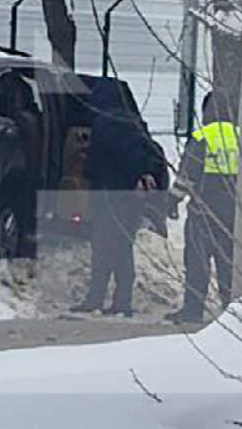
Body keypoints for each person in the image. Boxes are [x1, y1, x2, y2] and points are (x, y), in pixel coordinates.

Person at [72, 80, 168, 318]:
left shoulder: (104, 124)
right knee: (123, 247)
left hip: (108, 196)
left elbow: (95, 165)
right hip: (131, 199)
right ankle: (122, 300)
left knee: (103, 249)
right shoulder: (136, 124)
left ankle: (96, 298)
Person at [167, 89, 239, 324]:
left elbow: (188, 175)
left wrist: (173, 200)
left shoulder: (202, 137)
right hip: (233, 214)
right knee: (227, 263)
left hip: (203, 210)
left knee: (197, 262)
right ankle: (231, 312)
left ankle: (193, 310)